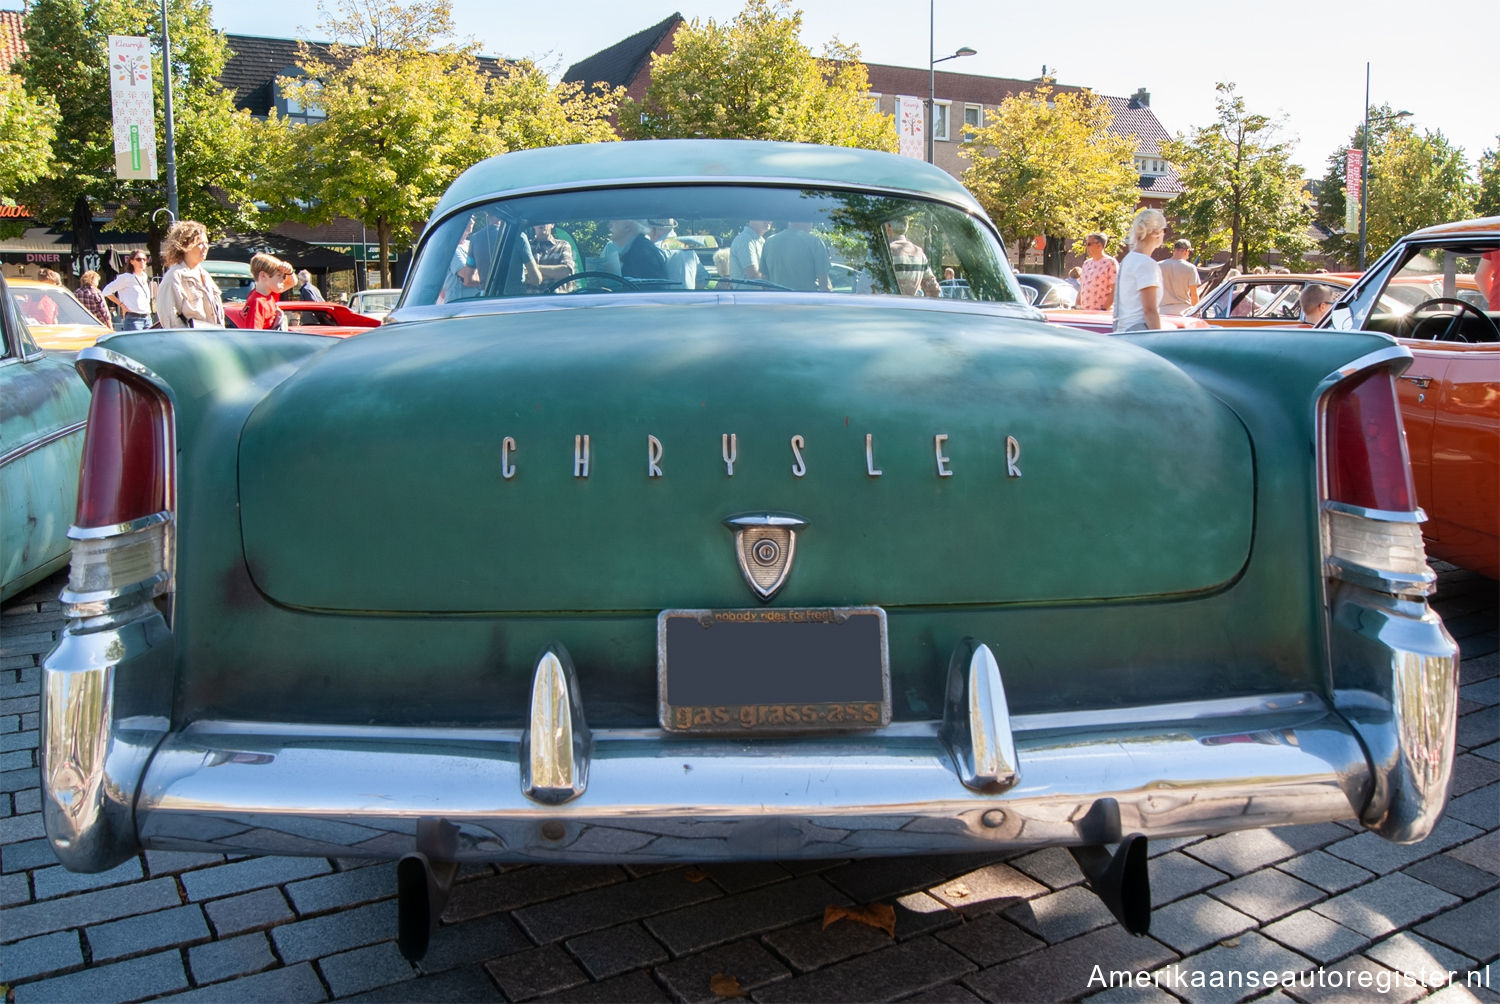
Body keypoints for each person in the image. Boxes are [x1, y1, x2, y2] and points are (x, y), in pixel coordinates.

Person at [156, 220, 224, 328]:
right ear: (185, 245)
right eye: (200, 243)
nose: (206, 247)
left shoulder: (205, 275)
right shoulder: (174, 277)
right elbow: (170, 319)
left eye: (206, 243)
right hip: (190, 341)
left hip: (213, 340)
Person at [1112, 208, 1165, 332]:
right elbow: (1150, 311)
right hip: (1140, 332)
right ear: (1157, 232)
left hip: (1124, 332)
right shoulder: (1147, 264)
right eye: (1164, 230)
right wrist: (1158, 337)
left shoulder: (1128, 260)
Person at [762, 221, 832, 292]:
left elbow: (764, 281)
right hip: (805, 300)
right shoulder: (815, 242)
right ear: (807, 222)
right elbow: (824, 285)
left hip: (775, 300)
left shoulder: (769, 242)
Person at [884, 218, 940, 296]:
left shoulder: (884, 252)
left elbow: (865, 288)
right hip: (912, 306)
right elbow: (934, 290)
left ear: (888, 227)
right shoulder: (920, 254)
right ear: (907, 226)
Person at [103, 250, 155, 329]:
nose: (142, 261)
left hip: (147, 317)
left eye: (144, 259)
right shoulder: (126, 277)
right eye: (138, 259)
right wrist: (122, 305)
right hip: (133, 318)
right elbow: (106, 291)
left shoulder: (144, 276)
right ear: (131, 261)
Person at [244, 253, 295, 329]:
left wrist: (290, 272)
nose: (283, 279)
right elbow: (254, 335)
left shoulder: (269, 294)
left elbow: (292, 283)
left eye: (283, 276)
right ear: (263, 275)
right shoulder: (258, 302)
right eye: (279, 275)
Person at [648, 218, 700, 290]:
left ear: (653, 230)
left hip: (664, 300)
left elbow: (649, 283)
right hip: (690, 299)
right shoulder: (689, 249)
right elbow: (702, 279)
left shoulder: (656, 249)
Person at [525, 222, 577, 293]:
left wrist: (532, 269)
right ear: (534, 225)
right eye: (539, 220)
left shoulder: (563, 246)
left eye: (546, 221)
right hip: (527, 301)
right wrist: (554, 274)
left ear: (552, 224)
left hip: (557, 301)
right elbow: (521, 276)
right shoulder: (525, 248)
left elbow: (567, 273)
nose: (542, 223)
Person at [1158, 239, 1200, 315]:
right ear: (1186, 251)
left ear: (1174, 250)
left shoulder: (1159, 266)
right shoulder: (1190, 268)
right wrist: (1195, 313)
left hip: (1162, 312)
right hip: (1183, 312)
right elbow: (1194, 294)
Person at [1077, 232, 1117, 311]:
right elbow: (1082, 288)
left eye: (1089, 244)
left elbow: (1115, 290)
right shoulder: (1086, 264)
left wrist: (1104, 309)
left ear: (1099, 245)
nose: (1086, 247)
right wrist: (1077, 306)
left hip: (1101, 316)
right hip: (1084, 313)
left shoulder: (1110, 263)